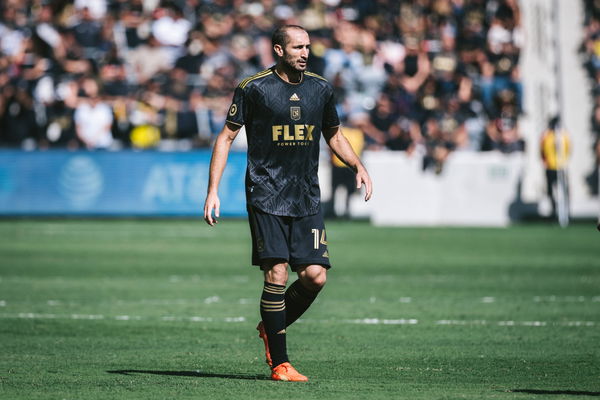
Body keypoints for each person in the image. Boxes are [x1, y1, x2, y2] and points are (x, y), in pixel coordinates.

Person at [203, 25, 372, 382]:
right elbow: (226, 137)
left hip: (306, 195)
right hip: (266, 193)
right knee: (277, 272)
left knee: (315, 277)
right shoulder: (254, 88)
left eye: (308, 46)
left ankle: (270, 326)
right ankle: (280, 363)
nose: (305, 52)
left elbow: (334, 134)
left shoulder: (320, 89)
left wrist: (357, 165)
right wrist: (213, 190)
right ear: (278, 50)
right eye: (297, 47)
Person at [540, 116, 570, 219]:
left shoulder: (563, 136)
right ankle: (554, 210)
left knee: (565, 190)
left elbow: (568, 149)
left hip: (561, 167)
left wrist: (563, 161)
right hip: (550, 167)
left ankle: (566, 211)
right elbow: (542, 150)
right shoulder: (547, 136)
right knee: (550, 191)